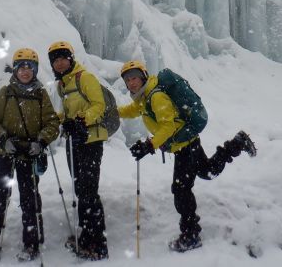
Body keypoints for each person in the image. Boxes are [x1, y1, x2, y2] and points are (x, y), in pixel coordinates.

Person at [118, 60, 257, 252]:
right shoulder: (144, 98)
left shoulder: (155, 96)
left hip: (185, 147)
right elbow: (132, 110)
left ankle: (191, 235)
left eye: (134, 78)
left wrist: (150, 145)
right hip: (185, 144)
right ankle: (238, 143)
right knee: (208, 172)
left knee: (181, 190)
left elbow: (168, 126)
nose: (131, 83)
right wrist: (112, 112)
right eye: (127, 80)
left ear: (143, 77)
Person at [0, 48, 60, 262]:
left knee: (30, 199)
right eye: (21, 67)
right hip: (3, 153)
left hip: (28, 155)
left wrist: (41, 141)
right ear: (15, 70)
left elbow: (52, 123)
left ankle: (32, 243)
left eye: (29, 68)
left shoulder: (41, 95)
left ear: (35, 70)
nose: (25, 71)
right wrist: (3, 139)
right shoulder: (6, 93)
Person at [49, 40, 109, 261]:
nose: (60, 63)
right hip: (74, 141)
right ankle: (85, 236)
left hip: (91, 140)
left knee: (88, 189)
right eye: (55, 60)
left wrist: (81, 121)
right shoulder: (61, 85)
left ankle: (98, 243)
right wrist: (54, 122)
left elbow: (98, 106)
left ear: (70, 59)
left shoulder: (85, 78)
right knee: (79, 187)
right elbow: (66, 114)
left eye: (63, 58)